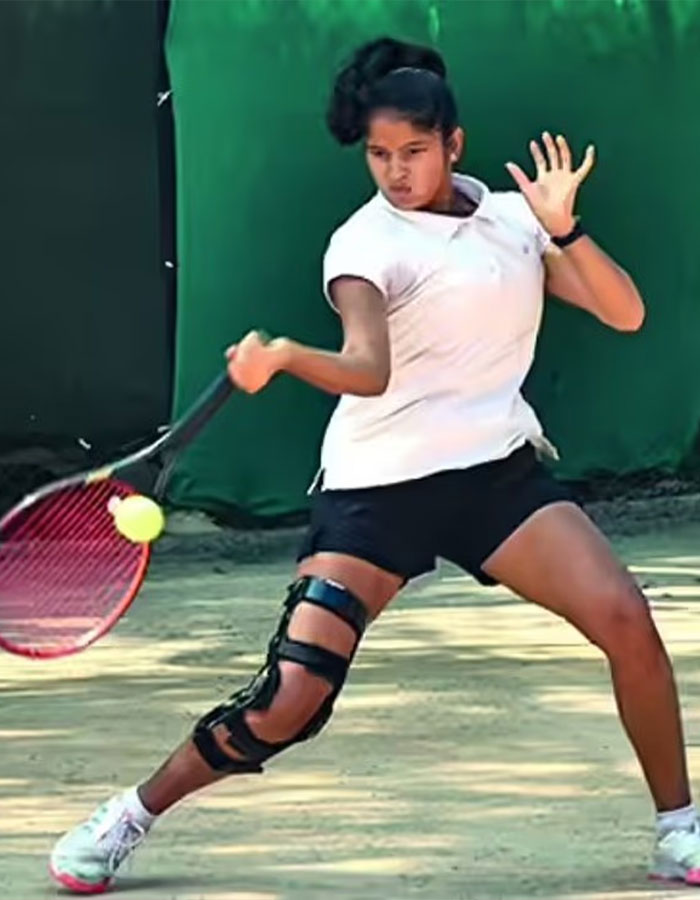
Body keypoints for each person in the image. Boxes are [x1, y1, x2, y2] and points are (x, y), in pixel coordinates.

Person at [49, 36, 700, 893]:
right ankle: (131, 813)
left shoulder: (511, 219)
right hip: (376, 492)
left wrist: (562, 228)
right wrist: (284, 355)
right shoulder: (363, 244)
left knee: (625, 617)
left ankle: (678, 830)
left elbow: (625, 312)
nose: (396, 172)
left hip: (495, 476)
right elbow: (368, 369)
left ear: (454, 144)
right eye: (379, 155)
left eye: (414, 152)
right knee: (291, 699)